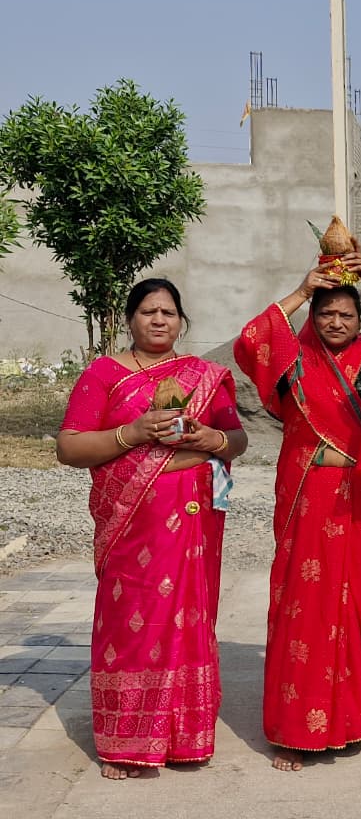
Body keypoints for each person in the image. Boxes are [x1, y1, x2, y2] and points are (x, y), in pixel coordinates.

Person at [57, 279, 248, 779]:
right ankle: (126, 744)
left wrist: (213, 437)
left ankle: (184, 737)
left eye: (168, 311)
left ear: (181, 319)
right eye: (148, 311)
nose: (159, 319)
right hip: (131, 525)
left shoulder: (204, 375)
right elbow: (70, 448)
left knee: (188, 621)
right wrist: (134, 432)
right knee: (132, 621)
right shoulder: (104, 373)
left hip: (192, 522)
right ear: (130, 319)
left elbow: (237, 438)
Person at [234, 244, 361, 771]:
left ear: (360, 319)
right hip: (307, 493)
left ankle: (352, 718)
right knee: (303, 603)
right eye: (325, 312)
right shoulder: (296, 358)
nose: (335, 321)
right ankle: (294, 727)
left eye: (345, 314)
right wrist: (303, 289)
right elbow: (249, 340)